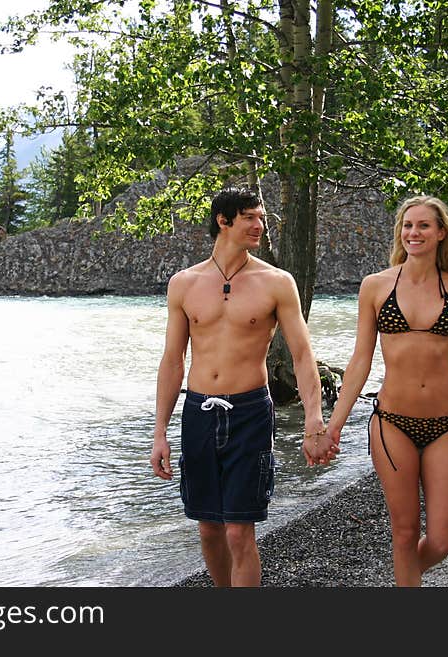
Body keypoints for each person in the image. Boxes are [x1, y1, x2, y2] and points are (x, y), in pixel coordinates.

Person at [150, 187, 338, 587]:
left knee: (239, 530)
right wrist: (159, 433)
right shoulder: (184, 283)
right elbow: (172, 361)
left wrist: (314, 421)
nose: (260, 225)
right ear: (224, 220)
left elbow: (303, 355)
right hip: (199, 412)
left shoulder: (276, 282)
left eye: (262, 217)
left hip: (250, 413)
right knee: (208, 529)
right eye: (251, 217)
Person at [325, 194, 448, 587]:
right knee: (405, 531)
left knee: (444, 539)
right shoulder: (375, 286)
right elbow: (360, 360)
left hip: (447, 425)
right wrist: (334, 426)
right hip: (391, 423)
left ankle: (403, 580)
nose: (414, 232)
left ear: (441, 233)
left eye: (423, 226)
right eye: (407, 225)